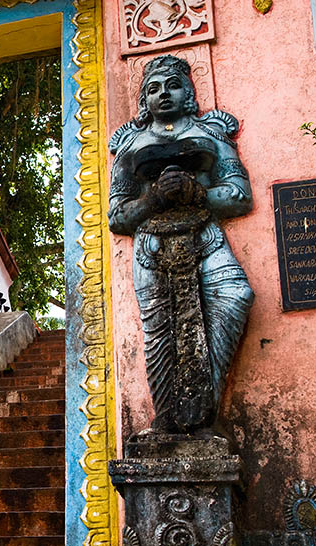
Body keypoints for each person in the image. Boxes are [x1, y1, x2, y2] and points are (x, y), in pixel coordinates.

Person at [109, 55, 254, 435]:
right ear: (144, 99)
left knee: (236, 296)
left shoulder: (211, 135)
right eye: (153, 89)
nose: (163, 95)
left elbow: (239, 195)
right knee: (160, 334)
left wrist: (198, 193)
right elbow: (117, 217)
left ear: (188, 92)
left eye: (172, 86)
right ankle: (168, 420)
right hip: (151, 247)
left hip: (205, 235)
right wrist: (153, 199)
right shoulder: (130, 146)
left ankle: (201, 410)